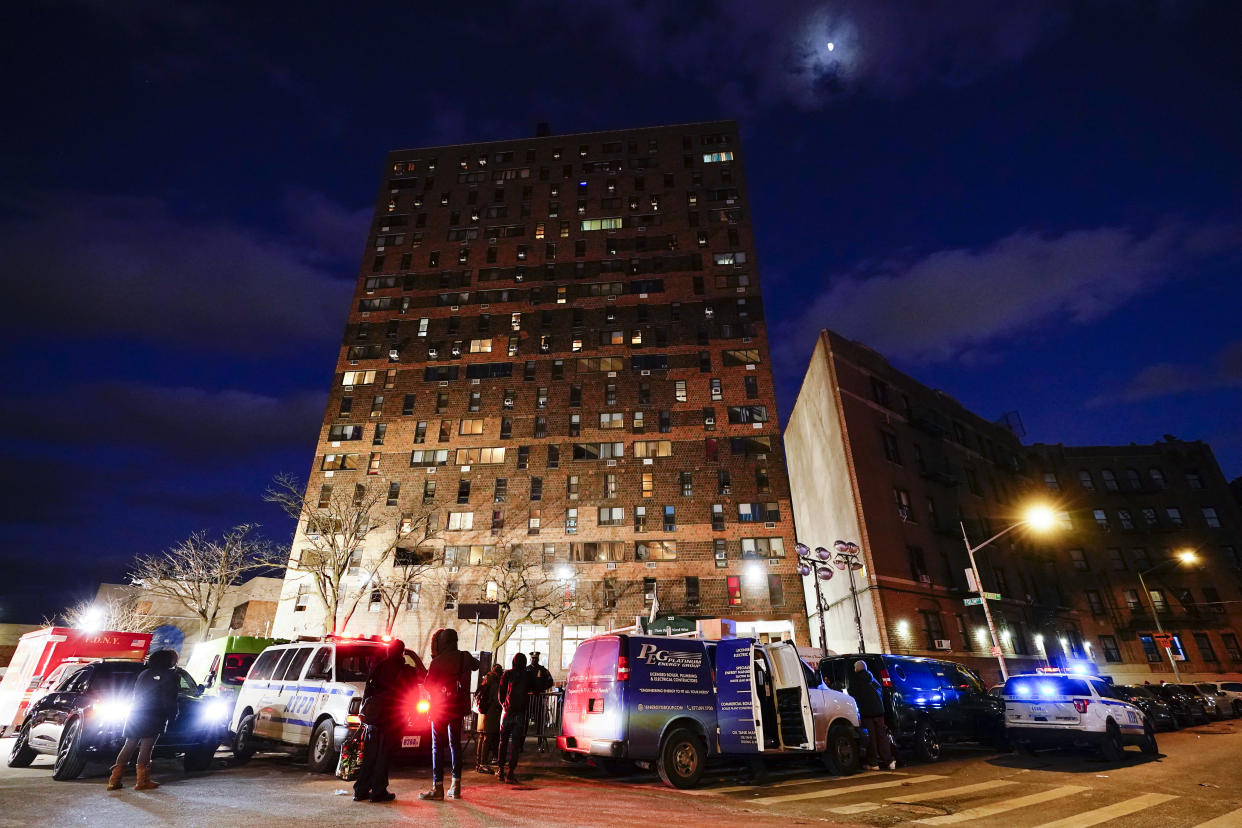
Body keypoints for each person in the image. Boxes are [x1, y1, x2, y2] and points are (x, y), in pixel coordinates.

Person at [354, 639, 420, 803]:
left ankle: (361, 789)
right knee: (384, 755)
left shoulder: (378, 667)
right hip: (392, 718)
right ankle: (378, 791)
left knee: (370, 755)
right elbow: (412, 694)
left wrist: (364, 713)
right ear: (402, 652)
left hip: (374, 718)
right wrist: (412, 714)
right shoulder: (406, 671)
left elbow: (368, 691)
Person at [107, 649, 180, 791]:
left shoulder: (144, 673)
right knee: (147, 746)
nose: (176, 661)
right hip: (154, 714)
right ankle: (142, 781)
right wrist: (172, 716)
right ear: (168, 660)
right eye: (174, 659)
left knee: (129, 744)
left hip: (135, 712)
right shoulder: (171, 676)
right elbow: (169, 699)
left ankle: (114, 780)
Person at [420, 628, 479, 801]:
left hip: (439, 709)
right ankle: (456, 785)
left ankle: (437, 787)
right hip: (457, 707)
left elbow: (428, 685)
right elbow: (477, 665)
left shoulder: (437, 662)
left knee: (437, 746)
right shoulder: (464, 657)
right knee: (455, 745)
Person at [848, 660, 896, 771]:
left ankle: (874, 763)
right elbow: (880, 691)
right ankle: (889, 761)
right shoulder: (872, 678)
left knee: (871, 739)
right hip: (879, 711)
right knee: (882, 737)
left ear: (857, 668)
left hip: (867, 713)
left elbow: (853, 695)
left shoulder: (856, 680)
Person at [495, 652, 534, 783]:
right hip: (520, 713)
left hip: (507, 712)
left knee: (503, 741)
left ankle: (500, 769)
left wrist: (504, 705)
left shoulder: (507, 674)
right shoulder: (527, 675)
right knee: (515, 744)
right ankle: (511, 772)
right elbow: (536, 686)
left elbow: (500, 693)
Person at [474, 664, 503, 773]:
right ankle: (483, 763)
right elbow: (497, 700)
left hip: (482, 714)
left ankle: (478, 763)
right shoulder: (495, 682)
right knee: (487, 739)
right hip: (490, 715)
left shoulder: (485, 680)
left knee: (481, 737)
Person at [527, 651, 555, 751]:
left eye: (536, 658)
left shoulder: (542, 670)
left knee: (540, 722)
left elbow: (550, 681)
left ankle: (540, 743)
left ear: (538, 659)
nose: (534, 660)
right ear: (530, 659)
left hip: (539, 699)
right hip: (528, 700)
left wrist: (540, 689)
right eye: (532, 658)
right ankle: (520, 744)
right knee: (524, 722)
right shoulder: (526, 670)